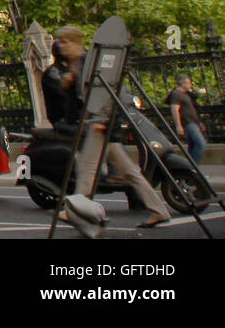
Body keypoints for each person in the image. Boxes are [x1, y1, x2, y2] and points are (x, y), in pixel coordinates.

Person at [56, 26, 171, 228]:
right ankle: (160, 210)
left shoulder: (88, 61)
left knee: (86, 168)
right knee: (129, 172)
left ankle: (74, 212)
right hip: (99, 123)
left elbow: (107, 90)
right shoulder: (75, 65)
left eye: (64, 41)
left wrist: (103, 120)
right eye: (59, 41)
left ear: (76, 43)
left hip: (99, 124)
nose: (60, 45)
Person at [168, 75, 206, 165]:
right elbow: (174, 110)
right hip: (188, 123)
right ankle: (193, 166)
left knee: (193, 146)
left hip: (193, 122)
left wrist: (199, 123)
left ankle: (189, 167)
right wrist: (178, 125)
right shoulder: (176, 94)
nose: (190, 85)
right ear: (183, 83)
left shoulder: (185, 94)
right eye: (189, 83)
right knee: (200, 144)